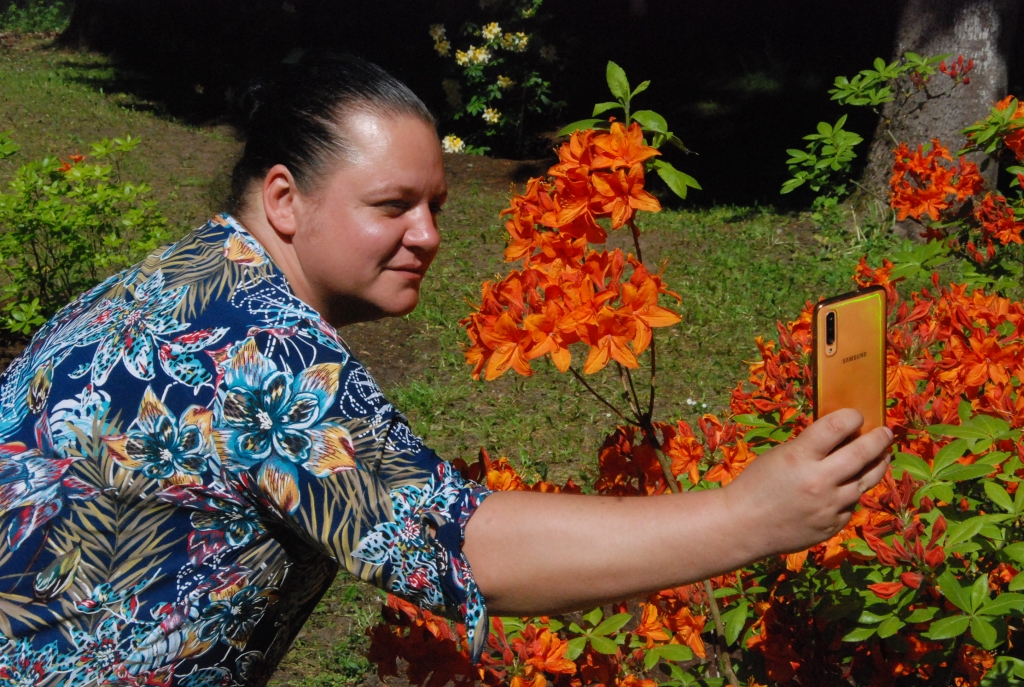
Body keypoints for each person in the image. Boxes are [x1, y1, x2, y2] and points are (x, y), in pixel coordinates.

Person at [0, 53, 892, 686]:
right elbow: (467, 548)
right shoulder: (258, 346)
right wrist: (747, 516)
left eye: (435, 204)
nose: (428, 235)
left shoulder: (177, 278)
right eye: (392, 205)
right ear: (284, 198)